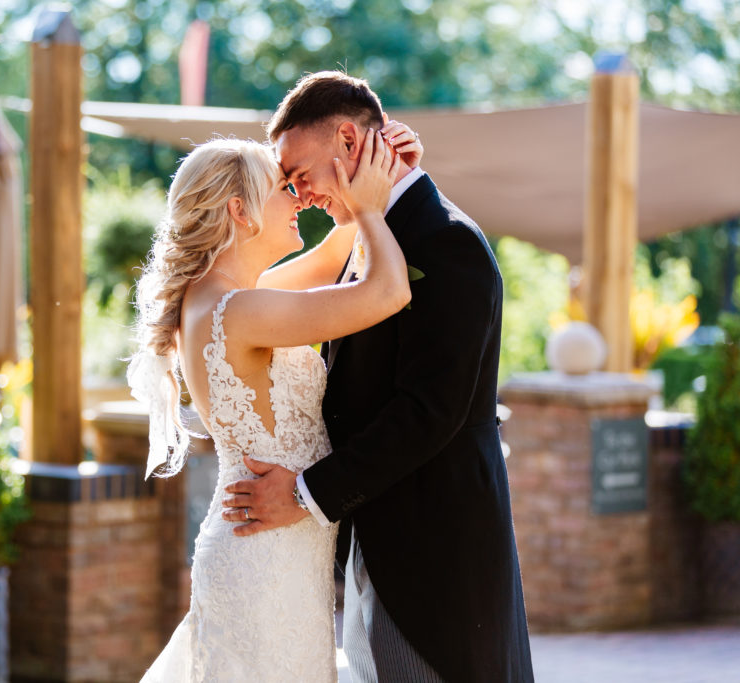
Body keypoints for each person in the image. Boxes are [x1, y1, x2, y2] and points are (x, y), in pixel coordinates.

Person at [222, 71, 534, 682]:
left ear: (346, 139)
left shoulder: (448, 243)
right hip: (374, 539)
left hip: (433, 553)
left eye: (299, 172)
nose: (299, 193)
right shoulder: (371, 237)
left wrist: (306, 494)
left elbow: (430, 412)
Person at [129, 123, 420, 681]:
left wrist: (374, 175)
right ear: (241, 210)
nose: (299, 199)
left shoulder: (225, 299)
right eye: (284, 188)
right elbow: (389, 290)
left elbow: (334, 256)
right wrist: (375, 212)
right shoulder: (236, 313)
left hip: (276, 556)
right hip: (263, 563)